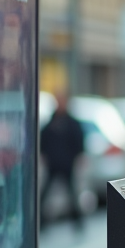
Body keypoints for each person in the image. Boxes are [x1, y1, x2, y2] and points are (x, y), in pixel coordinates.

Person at [39, 92, 85, 230]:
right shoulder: (52, 121)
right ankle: (41, 222)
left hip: (67, 163)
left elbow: (79, 141)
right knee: (45, 194)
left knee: (71, 193)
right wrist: (44, 156)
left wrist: (79, 156)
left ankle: (77, 221)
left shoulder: (71, 122)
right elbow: (44, 140)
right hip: (53, 163)